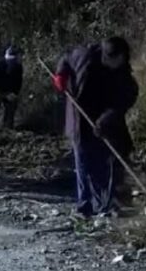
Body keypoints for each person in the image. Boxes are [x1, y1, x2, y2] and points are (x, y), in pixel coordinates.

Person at [52, 36, 139, 218]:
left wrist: (106, 120)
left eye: (122, 60)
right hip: (80, 115)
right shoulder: (84, 56)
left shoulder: (122, 71)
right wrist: (61, 75)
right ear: (107, 57)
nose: (120, 64)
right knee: (84, 162)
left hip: (104, 117)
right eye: (116, 61)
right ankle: (84, 206)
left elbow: (124, 99)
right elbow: (65, 58)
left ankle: (106, 204)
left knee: (106, 160)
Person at [0, 45, 24, 130]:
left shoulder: (18, 67)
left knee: (11, 105)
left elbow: (18, 82)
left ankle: (7, 126)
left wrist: (14, 93)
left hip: (9, 92)